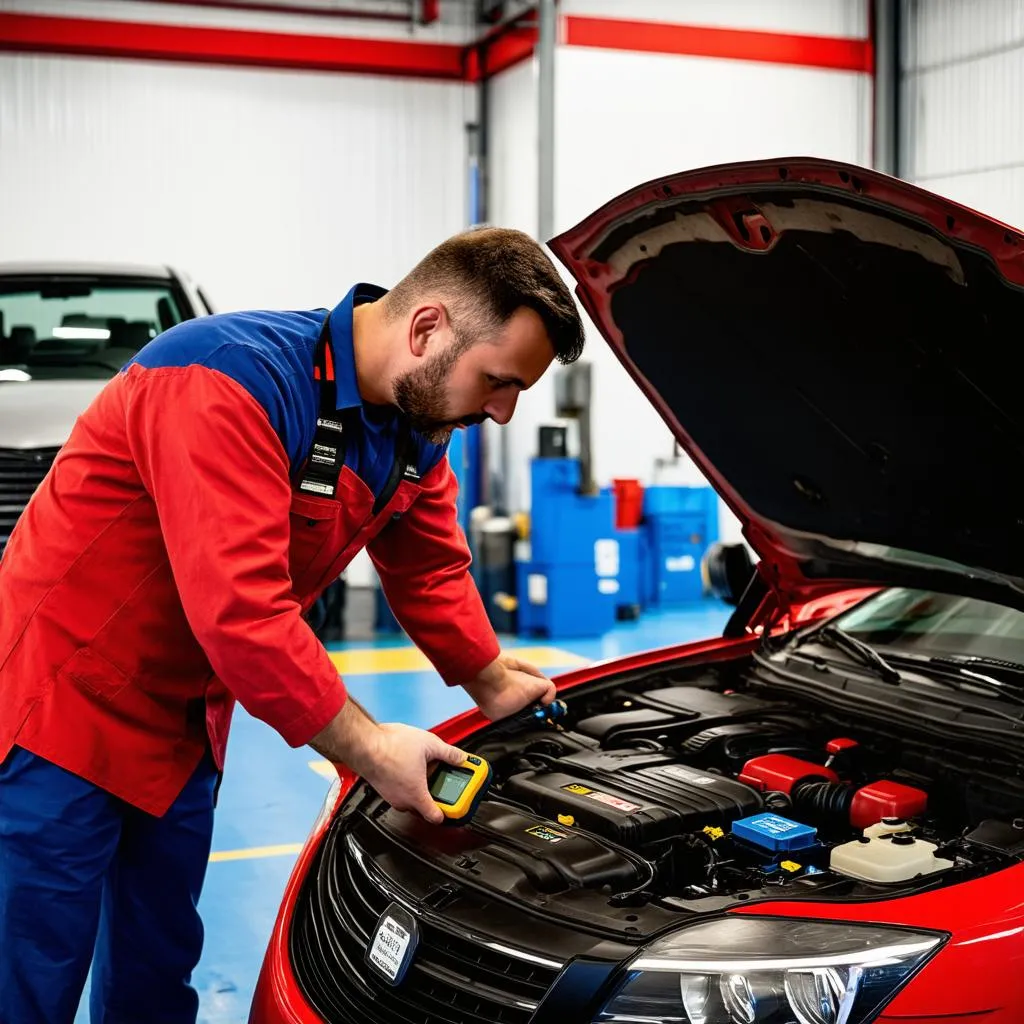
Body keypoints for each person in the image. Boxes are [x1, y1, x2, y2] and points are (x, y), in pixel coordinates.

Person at [0, 227, 586, 1023]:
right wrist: (373, 749)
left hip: (183, 716)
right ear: (427, 329)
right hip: (60, 708)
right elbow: (242, 614)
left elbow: (430, 565)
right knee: (31, 972)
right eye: (497, 380)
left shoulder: (413, 427)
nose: (505, 412)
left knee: (156, 960)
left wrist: (487, 677)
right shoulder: (225, 381)